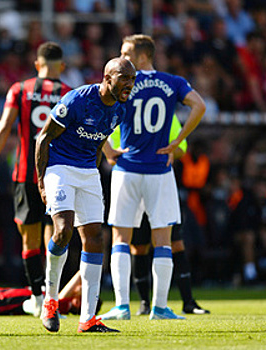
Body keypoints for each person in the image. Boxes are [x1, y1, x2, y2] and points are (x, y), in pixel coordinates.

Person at [100, 34, 205, 321]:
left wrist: (109, 150)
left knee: (120, 237)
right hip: (160, 170)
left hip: (127, 168)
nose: (121, 57)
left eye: (125, 52)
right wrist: (179, 139)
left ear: (141, 55)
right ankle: (159, 307)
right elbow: (199, 105)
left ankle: (122, 306)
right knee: (163, 238)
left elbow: (97, 111)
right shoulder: (172, 82)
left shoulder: (123, 81)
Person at [35, 57, 136, 333]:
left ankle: (88, 319)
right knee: (63, 230)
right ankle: (50, 302)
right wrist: (42, 183)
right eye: (124, 78)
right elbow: (43, 138)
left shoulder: (122, 109)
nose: (130, 84)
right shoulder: (77, 100)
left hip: (88, 171)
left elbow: (100, 134)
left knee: (95, 237)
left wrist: (106, 154)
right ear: (107, 78)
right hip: (59, 167)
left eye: (133, 79)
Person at [0, 42, 72, 317]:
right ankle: (51, 297)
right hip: (57, 176)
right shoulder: (68, 93)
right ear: (62, 66)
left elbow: (4, 126)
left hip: (25, 175)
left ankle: (36, 296)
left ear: (37, 64)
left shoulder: (19, 90)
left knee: (29, 240)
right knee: (54, 238)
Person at [106, 115, 210, 316]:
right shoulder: (165, 97)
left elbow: (109, 141)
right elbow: (196, 111)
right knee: (146, 245)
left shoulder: (126, 102)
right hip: (157, 177)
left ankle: (183, 301)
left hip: (131, 175)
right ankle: (150, 303)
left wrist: (112, 154)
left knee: (159, 242)